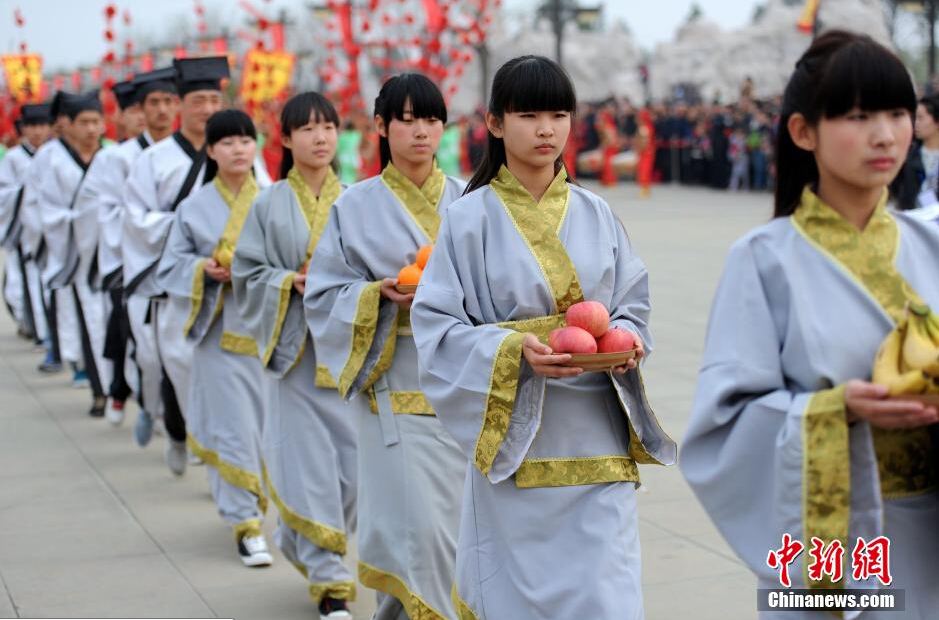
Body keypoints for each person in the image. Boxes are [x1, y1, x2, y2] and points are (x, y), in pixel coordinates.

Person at [680, 31, 939, 619]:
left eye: (898, 113)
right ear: (803, 132)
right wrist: (838, 408)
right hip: (843, 535)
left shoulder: (932, 241)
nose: (885, 134)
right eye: (857, 115)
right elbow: (722, 426)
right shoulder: (762, 259)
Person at [410, 55, 676, 620]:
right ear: (497, 124)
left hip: (598, 433)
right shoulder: (468, 218)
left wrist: (626, 336)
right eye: (529, 114)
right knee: (517, 593)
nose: (547, 129)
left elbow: (632, 299)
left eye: (559, 114)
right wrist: (513, 351)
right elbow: (436, 326)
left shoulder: (596, 211)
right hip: (518, 439)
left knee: (608, 592)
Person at [304, 73, 467, 620]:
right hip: (395, 388)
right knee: (415, 532)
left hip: (465, 391)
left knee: (456, 537)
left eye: (431, 119)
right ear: (381, 126)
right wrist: (376, 295)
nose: (421, 132)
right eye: (407, 119)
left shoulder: (473, 201)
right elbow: (325, 296)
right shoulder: (353, 206)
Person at [231, 92, 360, 620]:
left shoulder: (355, 199)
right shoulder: (266, 203)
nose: (320, 137)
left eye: (328, 127)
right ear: (284, 140)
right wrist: (289, 282)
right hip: (296, 357)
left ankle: (298, 531)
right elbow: (248, 273)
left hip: (345, 358)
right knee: (306, 467)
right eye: (307, 129)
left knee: (353, 474)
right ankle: (333, 584)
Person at [123, 56, 271, 475]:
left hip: (240, 299)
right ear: (180, 105)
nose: (207, 108)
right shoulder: (154, 159)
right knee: (177, 368)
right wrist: (195, 223)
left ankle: (226, 463)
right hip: (184, 285)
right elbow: (134, 220)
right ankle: (179, 430)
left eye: (214, 99)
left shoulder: (243, 150)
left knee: (236, 392)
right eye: (198, 100)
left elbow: (269, 207)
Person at [156, 109, 272, 567]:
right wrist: (203, 270)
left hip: (269, 336)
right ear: (210, 151)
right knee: (233, 431)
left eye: (246, 140)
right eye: (227, 142)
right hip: (219, 335)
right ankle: (244, 523)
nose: (239, 149)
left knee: (264, 431)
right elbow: (170, 266)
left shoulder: (272, 201)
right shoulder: (194, 206)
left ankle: (261, 508)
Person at [80, 68, 178, 435]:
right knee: (146, 350)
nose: (163, 110)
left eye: (169, 101)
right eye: (154, 103)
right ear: (140, 109)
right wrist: (148, 230)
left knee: (182, 353)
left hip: (187, 265)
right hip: (135, 261)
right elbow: (106, 212)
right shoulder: (116, 158)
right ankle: (144, 401)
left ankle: (181, 425)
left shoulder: (202, 151)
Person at [37, 91, 110, 416]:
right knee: (87, 320)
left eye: (96, 121)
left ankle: (119, 387)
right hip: (77, 255)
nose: (91, 129)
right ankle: (99, 388)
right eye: (84, 122)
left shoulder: (113, 158)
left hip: (111, 252)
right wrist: (80, 223)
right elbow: (45, 210)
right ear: (69, 125)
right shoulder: (53, 160)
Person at [0, 103, 52, 344]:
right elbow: (4, 193)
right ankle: (37, 329)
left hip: (53, 230)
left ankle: (52, 333)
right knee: (25, 281)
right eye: (32, 127)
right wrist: (26, 192)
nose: (37, 132)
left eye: (42, 126)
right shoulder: (13, 158)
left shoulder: (54, 154)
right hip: (24, 230)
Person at [891, 93, 939, 222]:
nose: (916, 124)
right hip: (913, 227)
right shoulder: (906, 157)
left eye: (921, 118)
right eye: (915, 118)